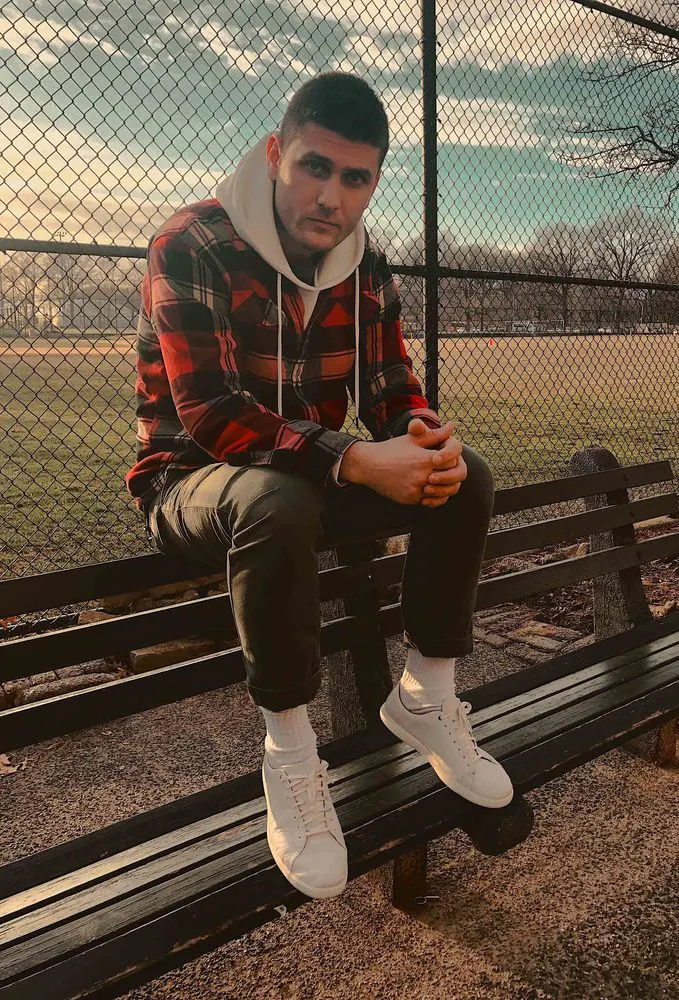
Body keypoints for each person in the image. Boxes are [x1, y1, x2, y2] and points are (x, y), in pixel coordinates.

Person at [125, 71, 513, 901]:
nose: (331, 196)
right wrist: (359, 459)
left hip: (310, 478)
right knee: (276, 496)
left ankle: (428, 698)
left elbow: (390, 385)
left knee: (466, 476)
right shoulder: (192, 242)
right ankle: (292, 756)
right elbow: (209, 414)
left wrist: (420, 434)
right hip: (191, 485)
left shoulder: (362, 260)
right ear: (276, 154)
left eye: (355, 177)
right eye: (314, 167)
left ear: (373, 181)